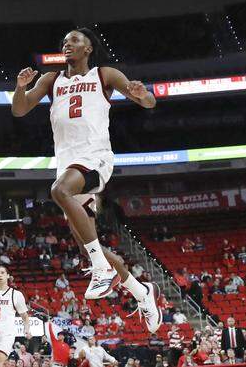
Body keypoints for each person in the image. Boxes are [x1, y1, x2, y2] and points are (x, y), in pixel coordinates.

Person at [11, 28, 160, 327]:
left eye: (75, 41)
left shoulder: (105, 75)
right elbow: (20, 109)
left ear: (89, 48)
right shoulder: (51, 80)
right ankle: (141, 291)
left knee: (59, 191)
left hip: (95, 158)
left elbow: (147, 103)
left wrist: (145, 96)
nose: (67, 44)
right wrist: (19, 86)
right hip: (68, 164)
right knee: (86, 246)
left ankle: (102, 270)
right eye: (65, 41)